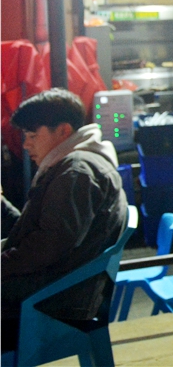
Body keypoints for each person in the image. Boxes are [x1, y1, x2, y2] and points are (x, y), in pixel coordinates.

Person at [2, 89, 128, 349]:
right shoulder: (76, 164)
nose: (26, 145)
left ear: (63, 131)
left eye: (32, 136)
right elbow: (37, 233)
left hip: (53, 300)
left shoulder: (77, 172)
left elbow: (48, 246)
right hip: (58, 287)